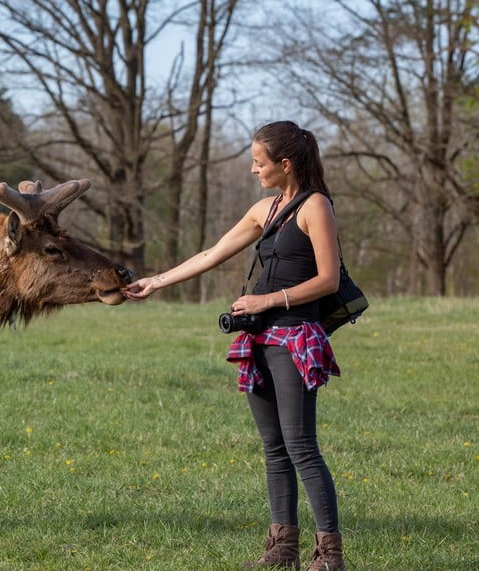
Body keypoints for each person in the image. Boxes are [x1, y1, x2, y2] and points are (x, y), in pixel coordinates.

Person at [125, 121, 345, 570]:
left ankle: (328, 557)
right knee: (273, 447)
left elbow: (329, 279)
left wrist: (267, 298)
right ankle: (282, 549)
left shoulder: (315, 206)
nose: (252, 170)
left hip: (294, 337)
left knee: (301, 445)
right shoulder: (266, 209)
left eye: (259, 162)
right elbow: (211, 253)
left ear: (285, 164)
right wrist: (156, 281)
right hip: (258, 338)